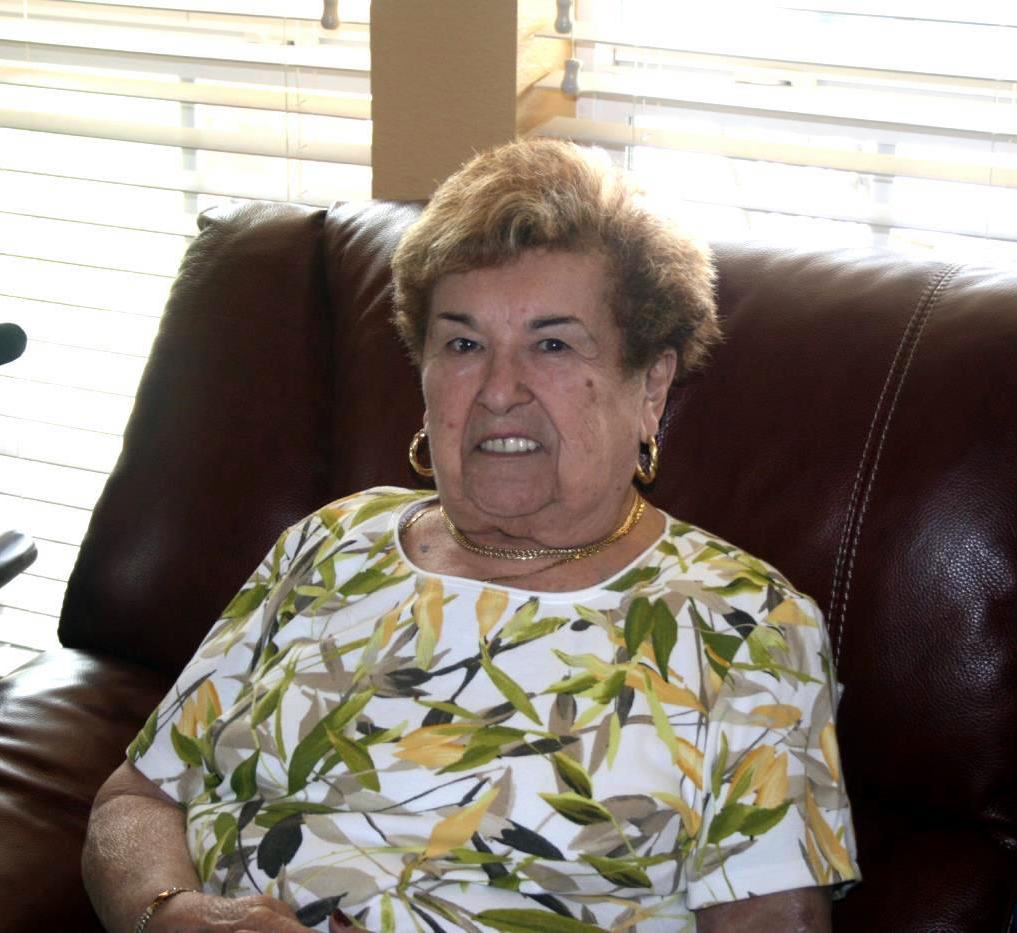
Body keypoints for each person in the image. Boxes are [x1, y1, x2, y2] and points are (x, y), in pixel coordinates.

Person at [83, 138, 859, 933]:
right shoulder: (332, 541)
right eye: (462, 343)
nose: (497, 390)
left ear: (652, 385)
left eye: (552, 344)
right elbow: (136, 797)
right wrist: (173, 915)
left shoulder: (745, 627)